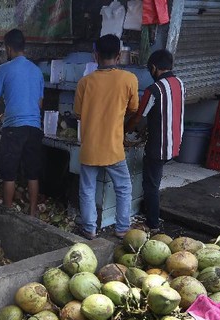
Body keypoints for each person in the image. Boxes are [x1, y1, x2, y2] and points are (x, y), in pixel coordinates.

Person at [0, 29, 44, 216]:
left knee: (8, 171)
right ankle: (33, 211)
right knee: (32, 172)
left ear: (8, 48)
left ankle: (8, 210)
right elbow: (39, 103)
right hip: (35, 127)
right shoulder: (36, 71)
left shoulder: (4, 69)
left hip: (14, 129)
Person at [74, 34, 140, 239]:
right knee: (123, 188)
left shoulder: (85, 82)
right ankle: (121, 228)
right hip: (113, 147)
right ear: (119, 56)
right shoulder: (129, 79)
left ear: (96, 56)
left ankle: (90, 229)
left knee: (87, 189)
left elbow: (77, 113)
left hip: (90, 147)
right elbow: (134, 107)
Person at [125, 49, 185, 232]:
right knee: (154, 180)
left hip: (159, 146)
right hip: (175, 143)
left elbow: (138, 117)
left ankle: (152, 224)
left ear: (153, 68)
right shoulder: (179, 83)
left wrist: (122, 132)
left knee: (150, 184)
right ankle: (150, 215)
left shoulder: (154, 89)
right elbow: (163, 113)